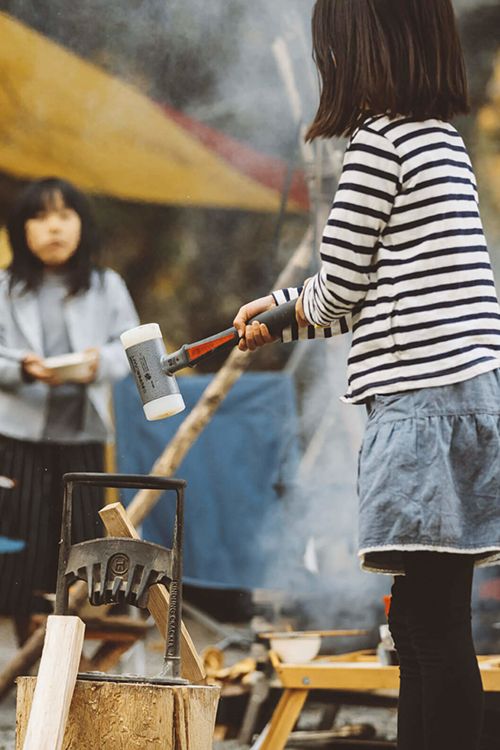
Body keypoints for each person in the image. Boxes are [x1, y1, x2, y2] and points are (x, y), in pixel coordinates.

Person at [233, 1, 500, 748]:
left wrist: (289, 311)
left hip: (420, 410)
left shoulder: (379, 145)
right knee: (427, 618)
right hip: (468, 403)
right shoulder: (441, 141)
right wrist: (289, 307)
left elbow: (340, 288)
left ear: (359, 48)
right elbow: (375, 295)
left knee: (432, 625)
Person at [0, 177, 139, 641]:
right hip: (16, 438)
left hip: (83, 435)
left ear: (81, 225)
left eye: (63, 215)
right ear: (21, 231)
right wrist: (22, 367)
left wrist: (101, 360)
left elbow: (134, 349)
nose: (52, 228)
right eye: (39, 217)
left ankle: (70, 645)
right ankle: (25, 657)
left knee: (81, 544)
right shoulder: (5, 286)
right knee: (23, 548)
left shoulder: (106, 285)